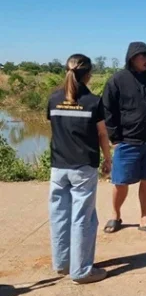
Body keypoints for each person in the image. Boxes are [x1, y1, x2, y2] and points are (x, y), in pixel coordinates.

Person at [47, 54, 112, 284]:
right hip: (83, 167)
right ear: (88, 75)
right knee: (83, 218)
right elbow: (102, 134)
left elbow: (56, 128)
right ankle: (82, 271)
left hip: (58, 167)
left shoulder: (53, 99)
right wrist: (108, 159)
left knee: (59, 215)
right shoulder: (93, 102)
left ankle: (62, 264)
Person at [101, 41, 146, 234]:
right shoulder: (117, 80)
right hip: (127, 141)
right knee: (120, 182)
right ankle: (115, 216)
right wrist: (115, 138)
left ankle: (145, 219)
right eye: (142, 56)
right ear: (132, 58)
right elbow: (108, 110)